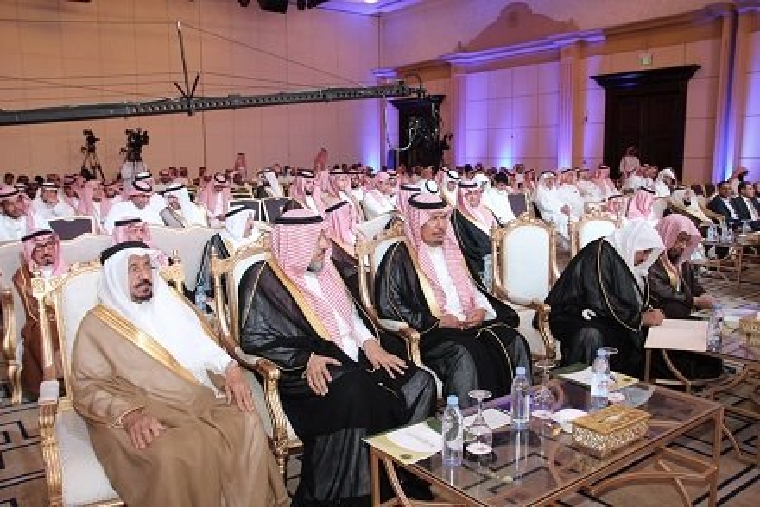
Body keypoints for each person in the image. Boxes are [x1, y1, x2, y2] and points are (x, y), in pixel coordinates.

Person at [238, 210, 436, 506]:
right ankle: (357, 494)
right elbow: (255, 338)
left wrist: (371, 343)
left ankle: (403, 477)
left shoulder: (326, 268)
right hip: (306, 372)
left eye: (323, 235)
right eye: (316, 238)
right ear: (295, 242)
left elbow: (352, 317)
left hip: (357, 357)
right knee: (356, 392)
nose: (325, 244)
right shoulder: (263, 279)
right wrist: (305, 358)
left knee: (420, 382)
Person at [71, 242, 287, 506]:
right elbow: (88, 387)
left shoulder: (169, 301)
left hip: (196, 397)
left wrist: (230, 368)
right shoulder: (96, 325)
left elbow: (203, 346)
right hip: (141, 410)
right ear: (115, 277)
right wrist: (129, 415)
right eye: (133, 269)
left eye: (147, 266)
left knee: (247, 422)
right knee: (174, 453)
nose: (144, 275)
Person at [374, 192, 531, 406]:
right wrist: (435, 321)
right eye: (433, 219)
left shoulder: (453, 248)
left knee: (514, 340)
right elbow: (391, 304)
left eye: (443, 218)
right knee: (465, 354)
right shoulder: (399, 255)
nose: (440, 226)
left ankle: (519, 408)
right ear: (417, 221)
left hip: (470, 324)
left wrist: (481, 309)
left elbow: (473, 287)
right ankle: (464, 419)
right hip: (432, 332)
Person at [545, 220, 665, 377]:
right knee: (592, 335)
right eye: (643, 251)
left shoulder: (622, 255)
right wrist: (640, 318)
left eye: (648, 253)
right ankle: (584, 385)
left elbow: (629, 297)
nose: (644, 258)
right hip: (576, 314)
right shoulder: (599, 254)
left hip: (606, 316)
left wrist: (647, 313)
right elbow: (599, 299)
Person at [647, 215, 723, 380]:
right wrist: (695, 301)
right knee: (678, 311)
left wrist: (704, 295)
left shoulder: (681, 261)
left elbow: (693, 285)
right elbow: (660, 292)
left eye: (686, 242)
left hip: (681, 313)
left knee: (710, 328)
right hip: (659, 315)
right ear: (667, 235)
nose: (682, 246)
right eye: (679, 240)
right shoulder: (650, 260)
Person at [13, 229, 67, 398]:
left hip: (68, 316)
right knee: (44, 329)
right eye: (39, 247)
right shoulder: (23, 275)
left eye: (50, 245)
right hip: (38, 321)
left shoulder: (67, 269)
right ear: (30, 251)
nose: (46, 251)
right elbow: (33, 309)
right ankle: (56, 380)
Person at [451, 179, 496, 289]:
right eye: (468, 194)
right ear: (461, 196)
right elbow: (465, 244)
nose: (473, 197)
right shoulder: (457, 216)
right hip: (478, 262)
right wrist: (489, 253)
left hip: (496, 255)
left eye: (475, 193)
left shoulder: (486, 210)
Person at [534, 171, 574, 240]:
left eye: (552, 179)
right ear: (544, 181)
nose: (550, 181)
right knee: (563, 219)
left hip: (559, 211)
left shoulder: (554, 189)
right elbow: (544, 206)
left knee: (573, 218)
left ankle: (571, 239)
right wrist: (560, 209)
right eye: (548, 179)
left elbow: (561, 200)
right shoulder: (540, 191)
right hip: (548, 213)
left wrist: (566, 206)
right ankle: (563, 240)